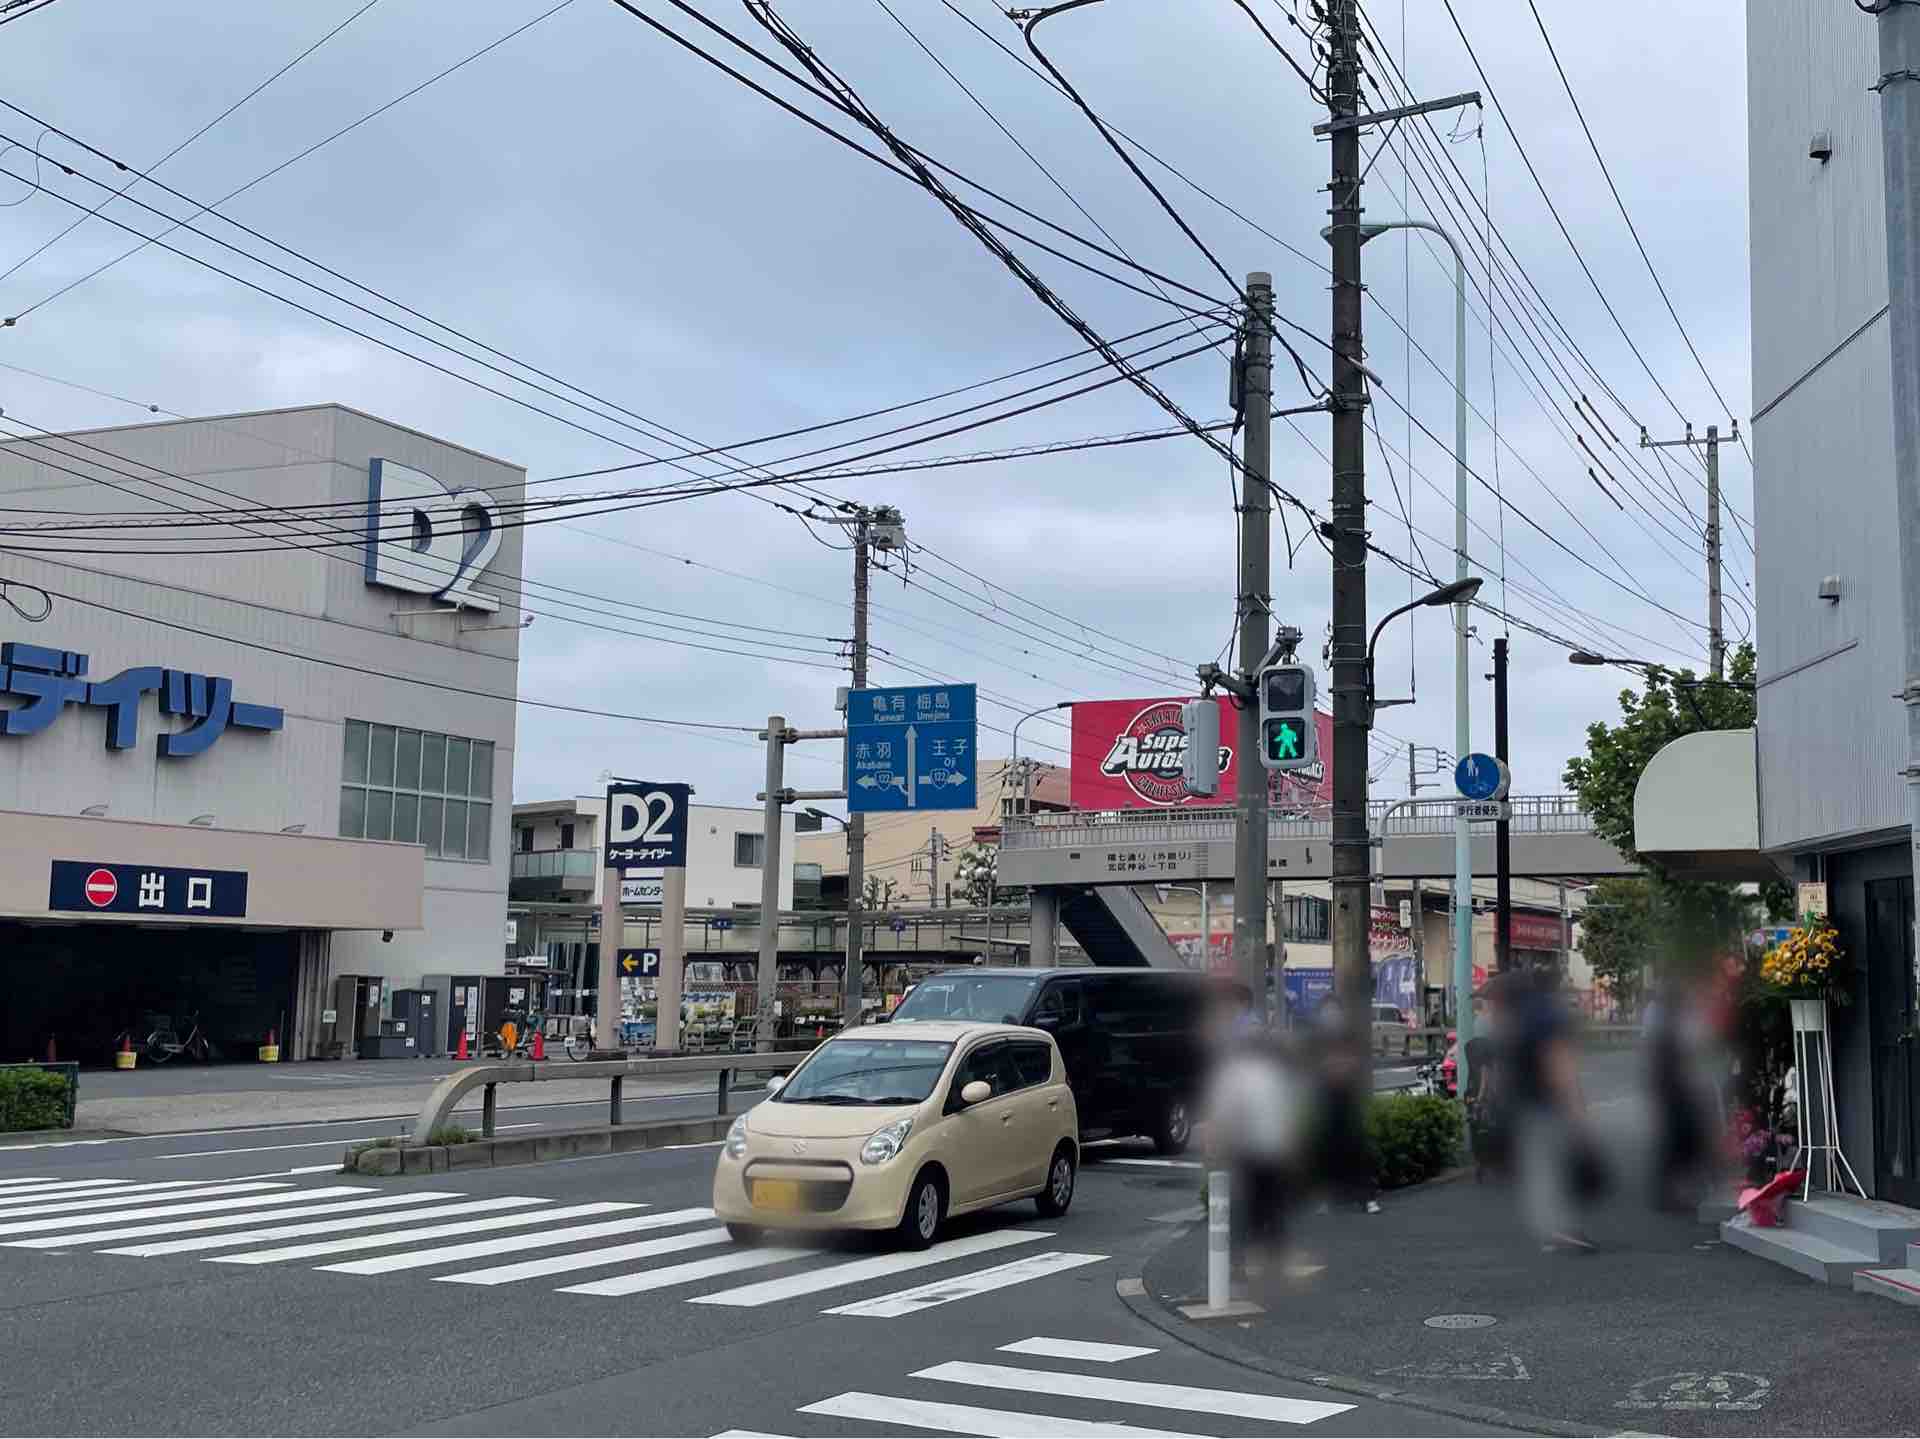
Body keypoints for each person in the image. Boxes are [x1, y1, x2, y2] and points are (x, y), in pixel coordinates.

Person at [1493, 969, 1600, 1250]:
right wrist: (1577, 1110)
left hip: (1524, 1106)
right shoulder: (1547, 1016)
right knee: (1557, 1164)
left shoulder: (1517, 1019)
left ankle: (1553, 1230)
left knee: (1541, 1168)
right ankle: (1561, 1228)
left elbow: (1504, 1070)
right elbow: (1559, 1065)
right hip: (1549, 1105)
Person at [1310, 998, 1382, 1216]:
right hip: (1325, 1101)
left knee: (1357, 1148)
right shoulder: (1316, 1040)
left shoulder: (1350, 1037)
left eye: (1334, 1011)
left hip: (1349, 1101)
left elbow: (1358, 1065)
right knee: (1326, 1150)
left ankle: (1368, 1198)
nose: (1331, 1016)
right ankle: (1326, 1198)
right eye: (1326, 1011)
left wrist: (1340, 1068)